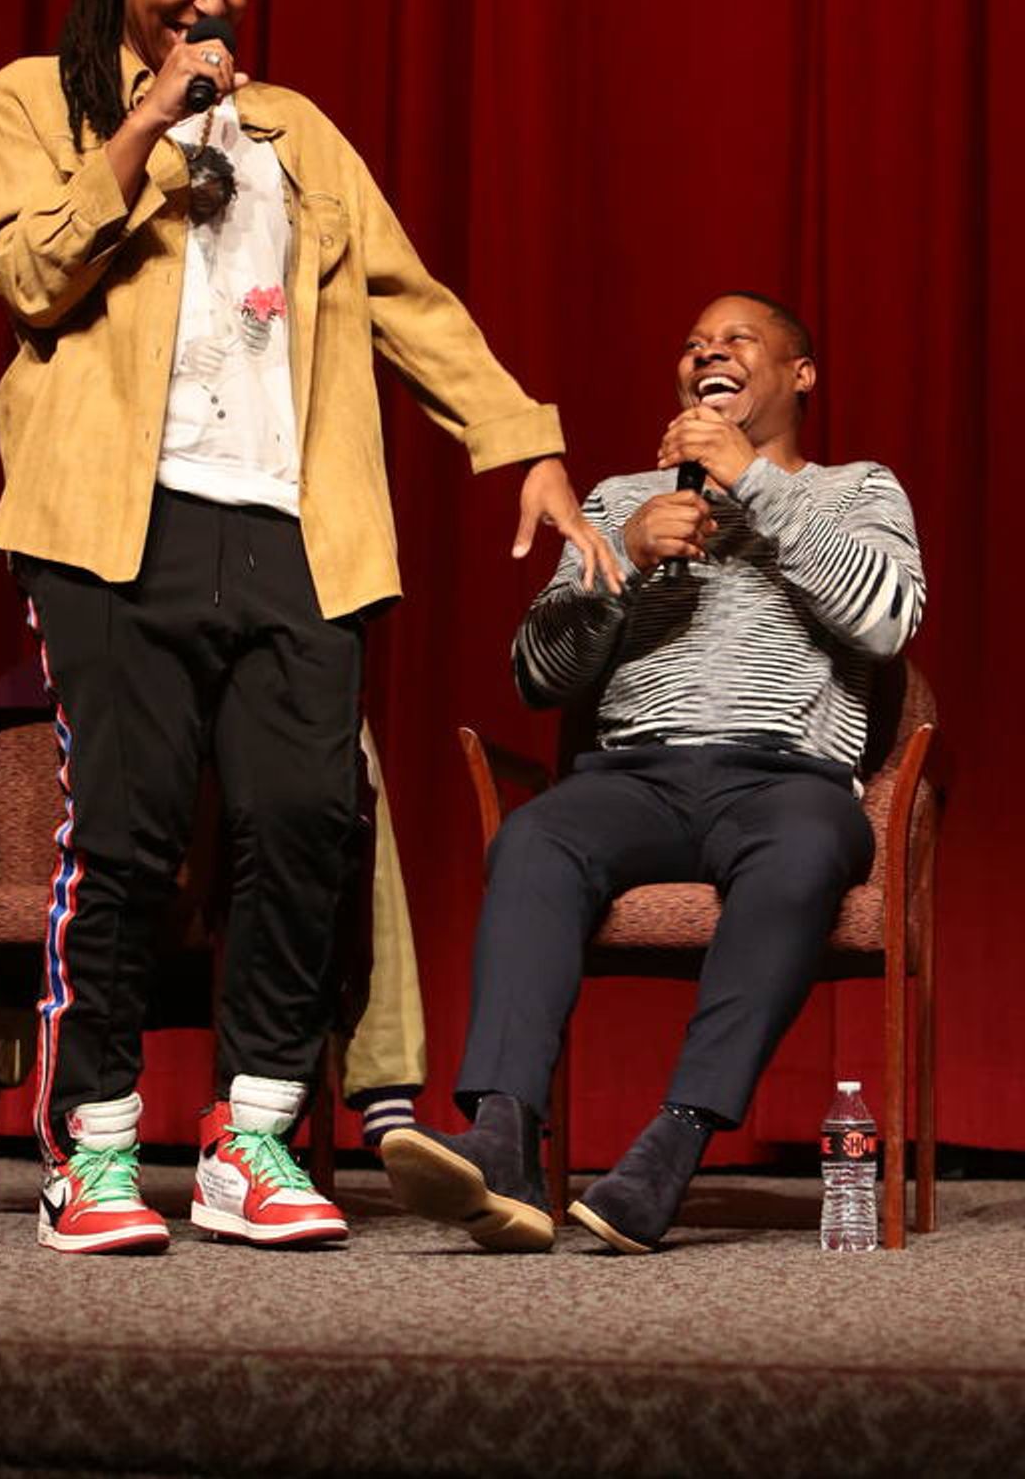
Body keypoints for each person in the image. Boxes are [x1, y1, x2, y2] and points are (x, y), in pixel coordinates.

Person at [0, 0, 615, 1257]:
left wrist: (527, 442)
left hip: (291, 525)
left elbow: (407, 300)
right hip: (111, 528)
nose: (212, 4)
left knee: (308, 821)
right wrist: (147, 127)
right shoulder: (31, 101)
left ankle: (250, 1134)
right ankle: (94, 1150)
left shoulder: (296, 136)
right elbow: (27, 275)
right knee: (129, 837)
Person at [382, 291, 925, 1254]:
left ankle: (671, 1149)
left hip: (786, 782)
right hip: (633, 777)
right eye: (693, 345)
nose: (708, 354)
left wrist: (752, 480)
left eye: (737, 341)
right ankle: (503, 1137)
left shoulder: (856, 490)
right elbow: (538, 675)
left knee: (804, 851)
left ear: (800, 375)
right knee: (536, 837)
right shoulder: (621, 499)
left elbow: (886, 621)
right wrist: (623, 559)